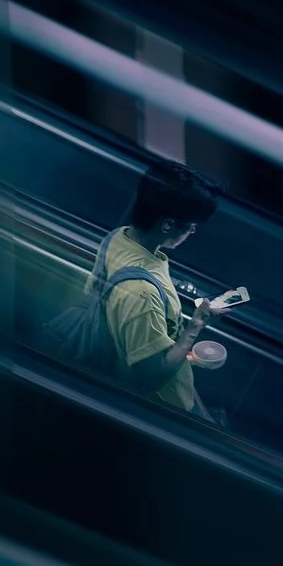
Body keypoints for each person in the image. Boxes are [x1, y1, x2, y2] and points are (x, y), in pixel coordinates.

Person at [96, 162, 226, 422]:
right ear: (167, 225)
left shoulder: (118, 238)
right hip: (167, 410)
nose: (192, 232)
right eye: (190, 226)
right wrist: (195, 327)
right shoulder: (142, 294)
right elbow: (150, 376)